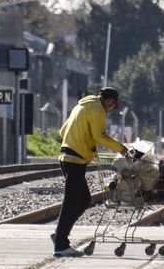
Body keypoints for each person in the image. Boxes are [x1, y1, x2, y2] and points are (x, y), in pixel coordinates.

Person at [52, 86, 132, 257]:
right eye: (112, 107)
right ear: (110, 101)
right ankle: (61, 244)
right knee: (71, 202)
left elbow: (63, 131)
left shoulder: (81, 106)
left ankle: (60, 234)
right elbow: (100, 136)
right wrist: (122, 149)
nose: (110, 111)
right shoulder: (98, 109)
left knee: (83, 199)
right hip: (76, 159)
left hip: (67, 157)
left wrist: (81, 139)